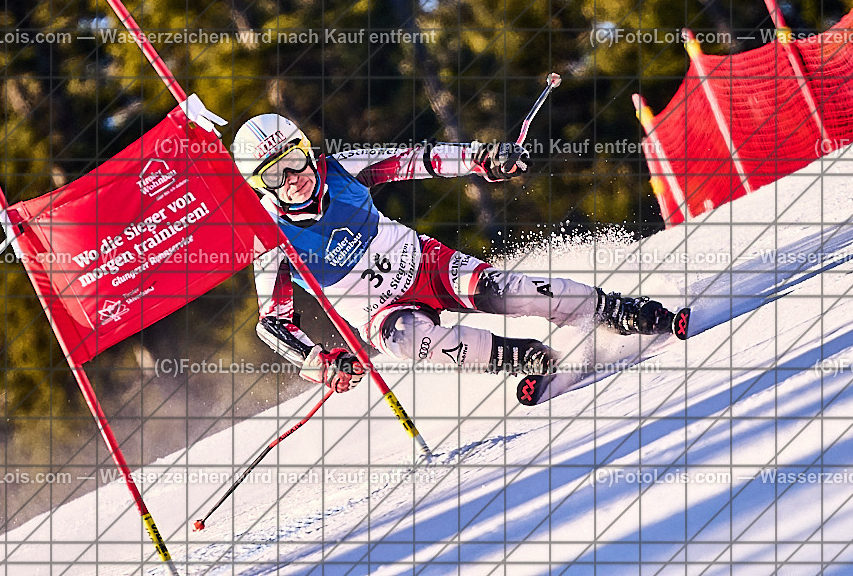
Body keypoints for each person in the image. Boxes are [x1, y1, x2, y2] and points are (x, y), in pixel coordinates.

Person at [232, 114, 681, 393]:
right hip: (381, 312)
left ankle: (612, 309)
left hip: (425, 263)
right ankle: (521, 356)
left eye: (295, 160)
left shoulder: (343, 169)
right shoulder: (271, 238)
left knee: (504, 291)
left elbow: (417, 159)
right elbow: (273, 323)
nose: (294, 178)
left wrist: (483, 159)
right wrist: (323, 363)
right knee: (409, 342)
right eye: (275, 176)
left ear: (308, 152)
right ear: (259, 187)